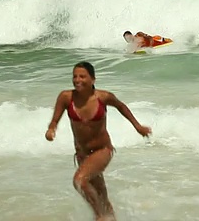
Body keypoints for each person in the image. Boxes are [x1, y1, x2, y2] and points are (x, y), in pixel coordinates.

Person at [45, 61, 152, 220]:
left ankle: (99, 216)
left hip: (102, 150)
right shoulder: (66, 97)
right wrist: (51, 129)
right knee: (101, 196)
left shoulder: (103, 97)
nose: (77, 80)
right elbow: (55, 120)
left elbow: (121, 106)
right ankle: (110, 217)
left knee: (79, 181)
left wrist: (138, 127)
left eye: (82, 76)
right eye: (75, 76)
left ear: (93, 79)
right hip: (82, 154)